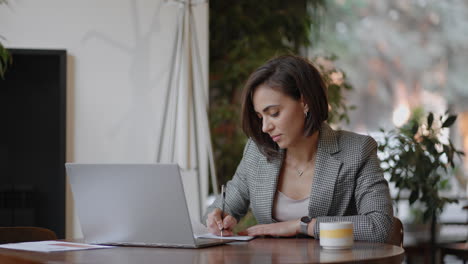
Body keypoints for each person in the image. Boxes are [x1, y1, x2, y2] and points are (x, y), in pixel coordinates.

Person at [203, 55, 393, 242]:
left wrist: (302, 225)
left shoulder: (357, 151)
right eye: (261, 117)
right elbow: (218, 210)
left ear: (305, 102)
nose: (265, 127)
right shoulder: (257, 151)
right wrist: (216, 218)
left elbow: (378, 226)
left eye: (274, 113)